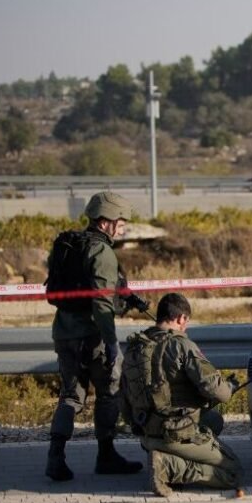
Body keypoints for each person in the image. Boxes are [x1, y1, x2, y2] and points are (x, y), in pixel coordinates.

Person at [44, 192, 146, 481]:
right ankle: (106, 455)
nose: (122, 228)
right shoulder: (101, 252)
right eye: (120, 223)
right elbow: (102, 303)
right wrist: (111, 342)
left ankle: (55, 457)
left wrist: (126, 297)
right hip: (93, 336)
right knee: (109, 392)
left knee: (70, 396)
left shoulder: (69, 245)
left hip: (63, 333)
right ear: (105, 222)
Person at [121, 293, 244, 497]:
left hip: (146, 434)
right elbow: (220, 393)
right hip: (174, 434)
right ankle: (169, 466)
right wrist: (229, 386)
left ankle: (164, 456)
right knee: (234, 472)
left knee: (213, 421)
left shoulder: (135, 346)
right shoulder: (181, 345)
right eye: (186, 321)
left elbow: (123, 398)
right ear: (180, 318)